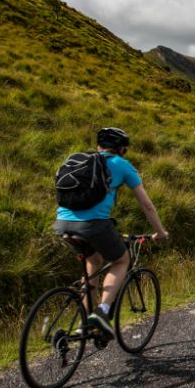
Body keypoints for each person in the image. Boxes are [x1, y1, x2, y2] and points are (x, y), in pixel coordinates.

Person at [53, 127, 169, 338]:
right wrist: (160, 232)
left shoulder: (82, 161)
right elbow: (147, 205)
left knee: (93, 262)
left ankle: (85, 325)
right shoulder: (121, 165)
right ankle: (102, 312)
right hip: (94, 225)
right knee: (121, 260)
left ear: (99, 146)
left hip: (62, 224)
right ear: (122, 149)